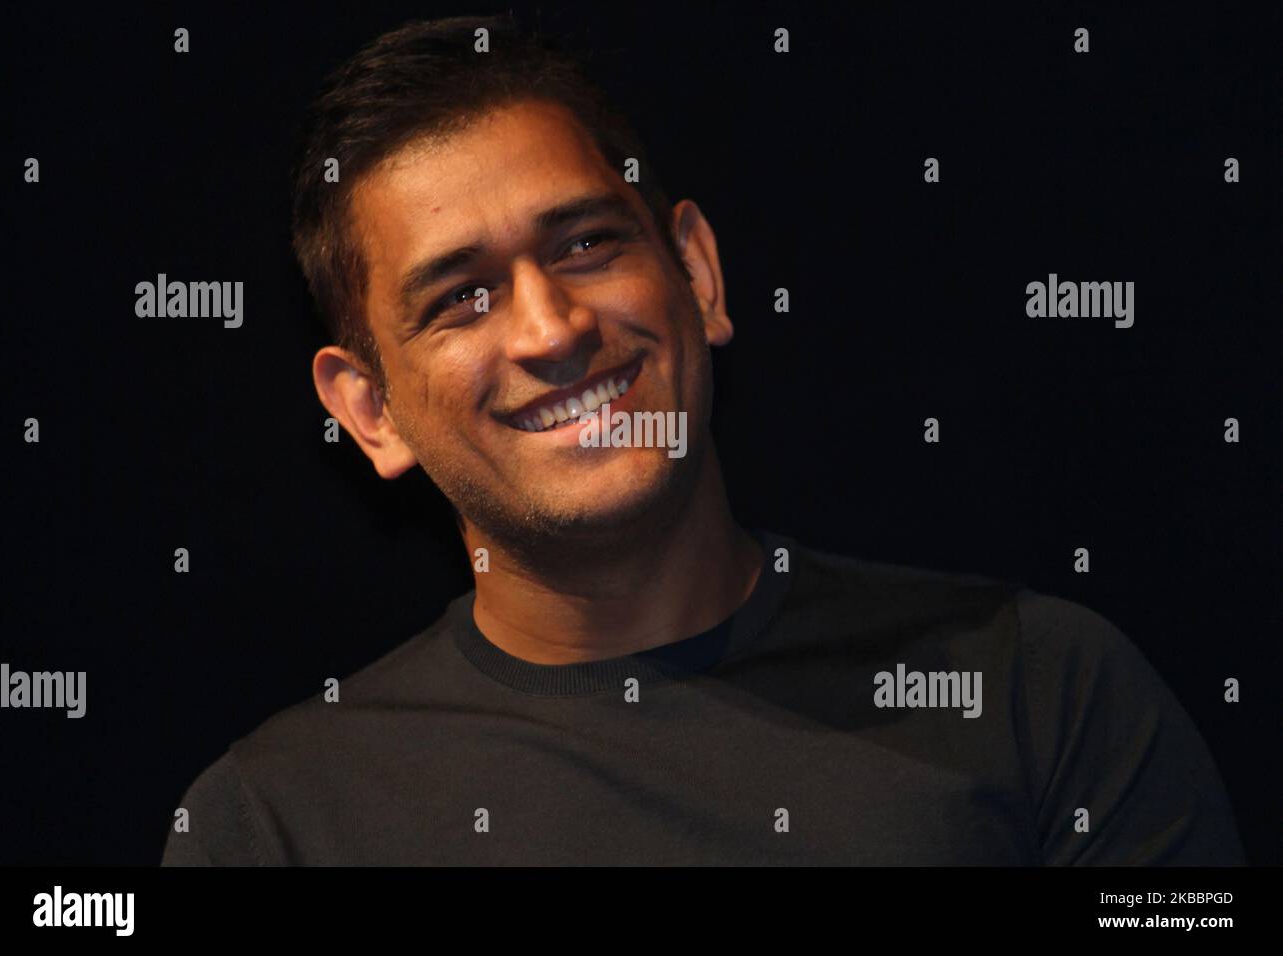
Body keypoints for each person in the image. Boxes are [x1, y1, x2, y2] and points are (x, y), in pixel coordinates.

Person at [161, 14, 1244, 865]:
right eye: (461, 299)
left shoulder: (1038, 688)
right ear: (371, 412)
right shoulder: (272, 823)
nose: (552, 328)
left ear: (700, 274)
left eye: (586, 242)